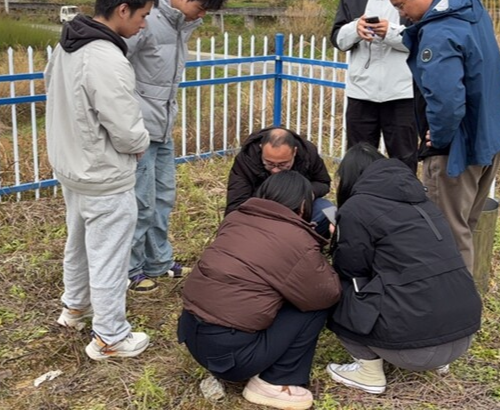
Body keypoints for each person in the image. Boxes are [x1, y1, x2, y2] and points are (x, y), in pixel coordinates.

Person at [45, 0, 157, 360]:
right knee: (109, 254)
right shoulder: (106, 57)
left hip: (71, 164)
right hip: (103, 172)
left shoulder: (67, 44)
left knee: (77, 242)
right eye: (142, 15)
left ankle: (75, 308)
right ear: (122, 10)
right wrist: (140, 144)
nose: (143, 24)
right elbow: (126, 127)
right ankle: (110, 336)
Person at [378, 0, 500, 276]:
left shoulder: (439, 32)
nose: (401, 14)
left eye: (400, 5)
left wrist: (438, 137)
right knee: (466, 223)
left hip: (458, 149)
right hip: (490, 135)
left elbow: (446, 100)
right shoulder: (467, 3)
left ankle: (454, 318)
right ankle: (468, 299)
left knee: (447, 236)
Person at [326, 144, 482, 394]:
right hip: (462, 337)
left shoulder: (357, 208)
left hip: (414, 352)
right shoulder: (423, 200)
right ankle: (440, 361)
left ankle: (369, 372)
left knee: (337, 287)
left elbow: (351, 269)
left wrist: (340, 239)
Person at [178, 171, 341, 410]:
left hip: (192, 336)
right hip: (232, 359)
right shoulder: (295, 238)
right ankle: (275, 382)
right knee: (314, 305)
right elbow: (327, 292)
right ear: (304, 204)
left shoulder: (236, 218)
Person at [126, 0, 230, 293]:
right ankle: (130, 269)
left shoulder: (179, 18)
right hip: (138, 127)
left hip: (162, 122)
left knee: (163, 198)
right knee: (139, 203)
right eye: (199, 9)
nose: (200, 17)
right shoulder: (146, 16)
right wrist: (128, 122)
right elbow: (115, 66)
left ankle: (158, 261)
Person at [330, 0, 417, 173]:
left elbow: (422, 41)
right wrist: (354, 29)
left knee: (404, 161)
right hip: (361, 93)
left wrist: (390, 32)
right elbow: (337, 39)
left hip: (401, 94)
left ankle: (404, 209)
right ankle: (354, 208)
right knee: (357, 162)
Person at [226, 126, 335, 238]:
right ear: (261, 149)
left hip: (299, 212)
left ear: (295, 152)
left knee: (327, 209)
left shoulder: (308, 153)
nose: (275, 170)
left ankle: (306, 242)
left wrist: (303, 193)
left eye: (283, 164)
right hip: (262, 215)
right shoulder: (246, 159)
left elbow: (323, 182)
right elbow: (236, 203)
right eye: (269, 163)